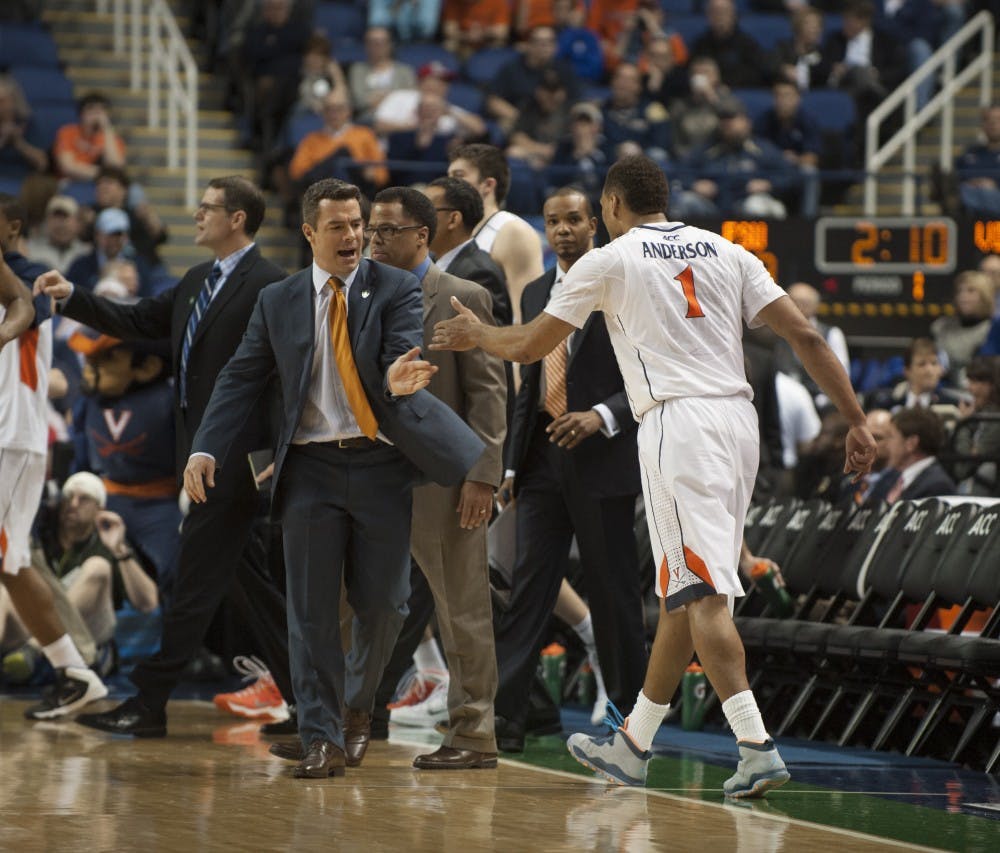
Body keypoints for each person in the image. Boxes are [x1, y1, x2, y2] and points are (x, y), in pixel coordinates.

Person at [430, 154, 876, 797]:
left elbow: (529, 346)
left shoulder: (609, 259)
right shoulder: (728, 250)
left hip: (676, 426)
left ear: (611, 206)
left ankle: (754, 745)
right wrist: (856, 419)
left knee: (700, 596)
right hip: (737, 424)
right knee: (680, 591)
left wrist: (478, 333)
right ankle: (634, 744)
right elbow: (804, 336)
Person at [181, 178, 485, 780]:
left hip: (379, 464)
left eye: (359, 224)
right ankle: (320, 735)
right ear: (309, 233)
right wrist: (206, 447)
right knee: (312, 611)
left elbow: (398, 351)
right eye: (340, 227)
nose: (354, 237)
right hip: (311, 469)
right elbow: (241, 377)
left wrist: (396, 381)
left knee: (385, 606)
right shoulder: (279, 300)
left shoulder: (395, 287)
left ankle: (356, 710)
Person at [37, 176, 294, 737]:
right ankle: (308, 696)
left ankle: (150, 701)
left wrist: (274, 450)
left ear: (238, 220)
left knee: (198, 581)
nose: (196, 216)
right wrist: (73, 298)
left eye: (208, 209)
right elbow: (138, 321)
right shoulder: (198, 279)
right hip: (198, 454)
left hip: (239, 458)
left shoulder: (272, 284)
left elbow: (285, 378)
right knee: (247, 582)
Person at [491, 186, 646, 752]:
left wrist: (603, 415)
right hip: (539, 461)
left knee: (613, 593)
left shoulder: (623, 285)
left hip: (603, 455)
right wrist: (510, 466)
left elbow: (651, 374)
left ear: (595, 223)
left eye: (573, 219)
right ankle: (505, 718)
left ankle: (632, 724)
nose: (561, 230)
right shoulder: (536, 289)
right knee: (528, 588)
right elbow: (526, 384)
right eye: (552, 220)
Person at [365, 186, 507, 769]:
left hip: (445, 482)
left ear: (421, 235)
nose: (372, 239)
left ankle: (473, 733)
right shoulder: (361, 293)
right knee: (354, 603)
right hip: (370, 472)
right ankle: (339, 719)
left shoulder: (463, 295)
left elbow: (490, 395)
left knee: (461, 610)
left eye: (385, 230)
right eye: (371, 229)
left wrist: (482, 475)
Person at [0, 196, 109, 718]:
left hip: (12, 434)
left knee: (11, 562)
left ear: (13, 226)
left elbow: (27, 307)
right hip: (10, 436)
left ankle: (77, 667)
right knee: (11, 563)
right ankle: (75, 672)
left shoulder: (36, 275)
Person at [1, 472, 159, 668]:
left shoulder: (108, 541)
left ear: (99, 508)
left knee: (98, 567)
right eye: (68, 497)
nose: (73, 504)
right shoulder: (44, 532)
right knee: (6, 583)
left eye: (84, 499)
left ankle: (36, 649)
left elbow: (148, 603)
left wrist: (120, 551)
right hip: (30, 631)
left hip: (87, 634)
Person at [447, 144, 544, 324]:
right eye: (448, 177)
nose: (448, 185)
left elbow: (528, 318)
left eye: (458, 176)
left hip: (492, 348)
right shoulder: (452, 230)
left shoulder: (512, 231)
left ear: (488, 185)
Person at [425, 176, 511, 327]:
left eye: (427, 211)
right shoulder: (428, 260)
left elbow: (492, 337)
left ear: (453, 219)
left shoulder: (480, 272)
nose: (419, 220)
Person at [868, 407, 957, 503]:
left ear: (911, 443)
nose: (887, 445)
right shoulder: (890, 477)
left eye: (891, 437)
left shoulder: (938, 486)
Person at [866, 337, 964, 413]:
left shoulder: (953, 405)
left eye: (934, 363)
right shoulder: (887, 404)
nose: (929, 370)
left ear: (941, 370)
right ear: (907, 371)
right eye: (922, 364)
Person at [348, 27, 417, 125]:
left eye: (382, 42)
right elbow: (359, 100)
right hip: (367, 120)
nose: (377, 46)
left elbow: (410, 98)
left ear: (390, 45)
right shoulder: (357, 70)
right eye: (372, 42)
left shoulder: (405, 71)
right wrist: (392, 96)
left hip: (400, 120)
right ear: (366, 45)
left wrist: (379, 98)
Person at [53, 92, 126, 181]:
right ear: (81, 114)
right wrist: (103, 174)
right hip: (71, 181)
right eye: (91, 109)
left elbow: (115, 167)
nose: (97, 114)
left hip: (101, 184)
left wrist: (106, 128)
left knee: (135, 191)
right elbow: (68, 167)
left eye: (102, 110)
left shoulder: (111, 139)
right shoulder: (67, 132)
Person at [25, 195, 90, 274]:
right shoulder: (29, 250)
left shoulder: (87, 253)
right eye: (56, 217)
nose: (60, 225)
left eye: (65, 218)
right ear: (46, 221)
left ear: (77, 223)